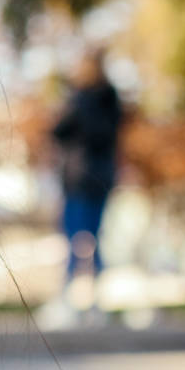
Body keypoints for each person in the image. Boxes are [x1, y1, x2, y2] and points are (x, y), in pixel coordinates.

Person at [52, 48, 123, 284]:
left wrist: (78, 109)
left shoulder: (91, 99)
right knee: (84, 235)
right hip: (88, 176)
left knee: (83, 236)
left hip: (87, 177)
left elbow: (62, 130)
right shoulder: (95, 99)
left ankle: (83, 289)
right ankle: (84, 289)